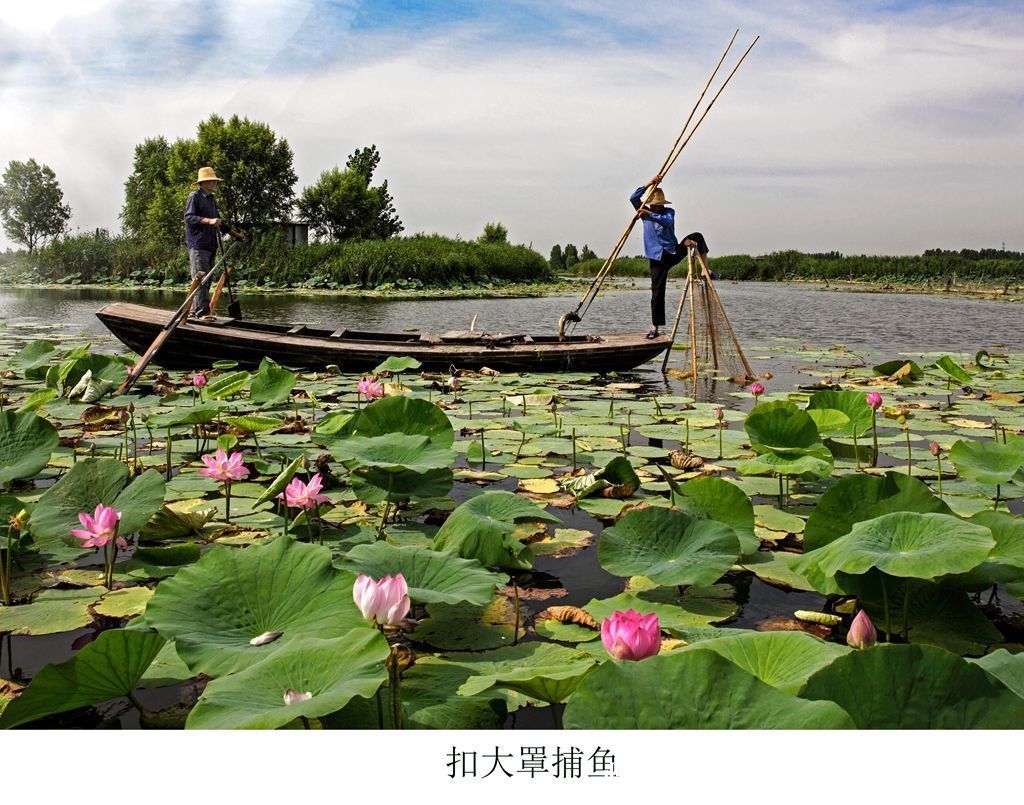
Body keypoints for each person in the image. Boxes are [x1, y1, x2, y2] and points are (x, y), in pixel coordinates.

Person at [629, 174, 711, 338]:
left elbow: (666, 222)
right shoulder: (644, 213)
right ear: (651, 205)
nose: (657, 207)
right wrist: (649, 183)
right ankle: (655, 328)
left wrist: (650, 214)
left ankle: (706, 270)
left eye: (659, 205)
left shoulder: (668, 213)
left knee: (697, 236)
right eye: (654, 206)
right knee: (657, 293)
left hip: (672, 252)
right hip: (657, 259)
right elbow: (633, 198)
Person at [184, 166, 244, 318]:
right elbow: (189, 217)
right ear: (203, 183)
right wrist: (209, 221)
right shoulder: (195, 196)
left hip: (211, 245)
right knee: (200, 279)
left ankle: (201, 309)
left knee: (208, 278)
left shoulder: (211, 200)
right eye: (211, 181)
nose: (214, 183)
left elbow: (220, 223)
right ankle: (199, 311)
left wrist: (236, 235)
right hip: (198, 245)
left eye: (215, 181)